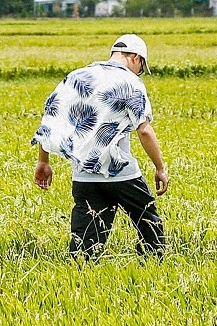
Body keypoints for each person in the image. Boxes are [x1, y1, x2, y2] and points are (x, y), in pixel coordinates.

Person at [32, 32, 168, 256]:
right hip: (122, 175)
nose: (140, 72)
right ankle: (154, 270)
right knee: (149, 224)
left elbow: (51, 121)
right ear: (135, 57)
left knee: (85, 244)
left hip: (84, 175)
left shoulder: (77, 77)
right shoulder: (131, 83)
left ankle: (80, 281)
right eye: (142, 67)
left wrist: (43, 162)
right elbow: (144, 130)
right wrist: (160, 168)